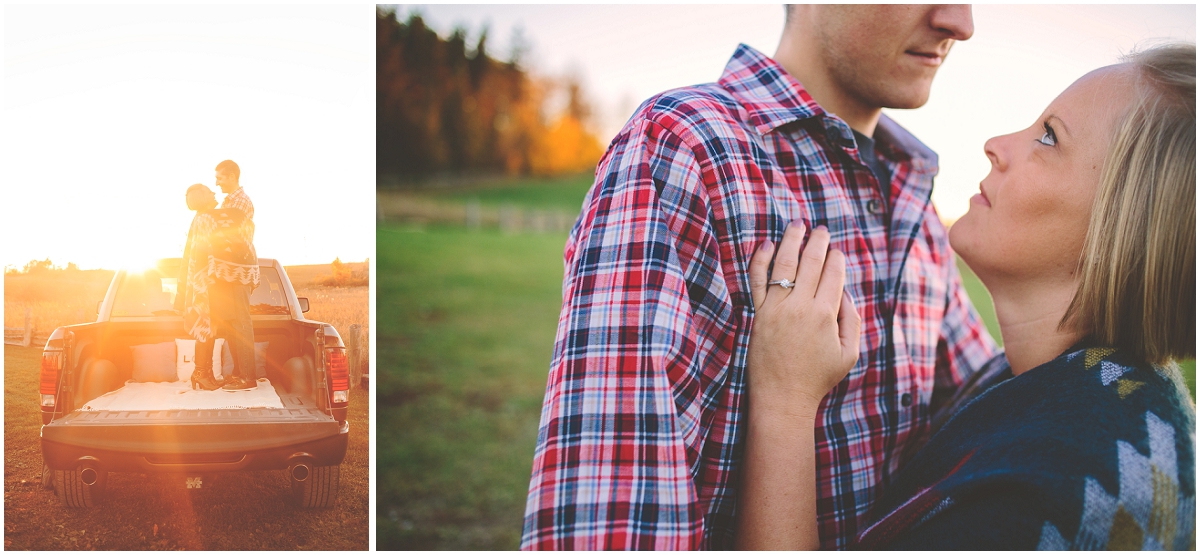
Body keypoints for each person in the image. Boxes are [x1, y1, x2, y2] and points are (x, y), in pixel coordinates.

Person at [522, 5, 997, 550]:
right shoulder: (687, 150)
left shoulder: (909, 195)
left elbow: (984, 410)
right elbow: (611, 530)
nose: (960, 22)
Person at [737, 44, 1195, 550]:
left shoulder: (1049, 490)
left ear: (1125, 225)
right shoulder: (1071, 387)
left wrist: (785, 407)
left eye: (1049, 137)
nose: (996, 143)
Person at [212, 159, 261, 390]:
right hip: (228, 271)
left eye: (220, 177)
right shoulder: (228, 201)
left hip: (240, 269)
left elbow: (227, 234)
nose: (217, 182)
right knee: (231, 324)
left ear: (232, 176)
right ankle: (238, 373)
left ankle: (247, 378)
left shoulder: (240, 201)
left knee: (241, 322)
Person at [177, 184, 228, 391]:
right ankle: (201, 373)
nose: (214, 193)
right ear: (201, 198)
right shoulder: (206, 218)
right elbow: (211, 251)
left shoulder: (199, 218)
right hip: (206, 282)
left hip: (199, 281)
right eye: (209, 192)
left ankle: (202, 373)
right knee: (207, 329)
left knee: (206, 329)